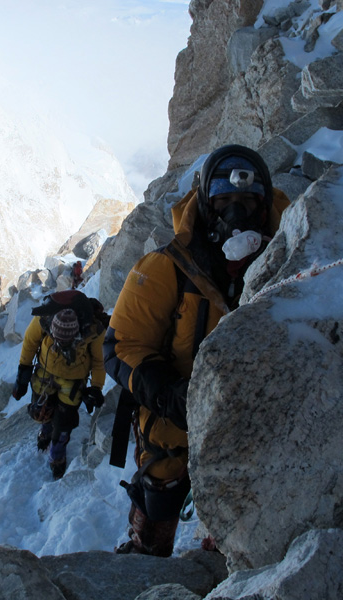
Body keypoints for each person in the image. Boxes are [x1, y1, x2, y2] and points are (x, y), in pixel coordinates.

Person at [104, 145, 290, 556]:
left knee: (241, 528)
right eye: (224, 201)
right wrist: (169, 394)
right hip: (173, 427)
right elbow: (120, 346)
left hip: (254, 429)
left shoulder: (293, 257)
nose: (235, 213)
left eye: (247, 202)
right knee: (161, 500)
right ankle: (147, 546)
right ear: (206, 205)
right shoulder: (166, 267)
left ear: (264, 208)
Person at [11, 290, 106, 479]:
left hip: (72, 380)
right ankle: (46, 430)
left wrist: (96, 387)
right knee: (41, 411)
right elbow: (30, 342)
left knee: (65, 422)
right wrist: (23, 372)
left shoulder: (93, 331)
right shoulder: (43, 320)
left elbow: (98, 360)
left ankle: (57, 455)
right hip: (45, 374)